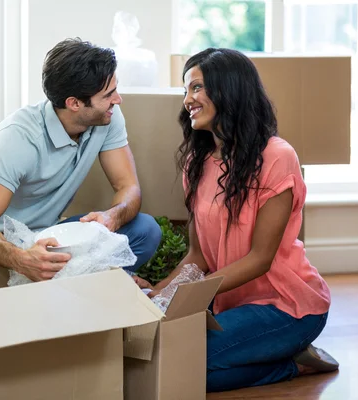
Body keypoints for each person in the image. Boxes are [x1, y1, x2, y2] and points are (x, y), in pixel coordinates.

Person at [133, 48, 339, 392]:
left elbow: (260, 258)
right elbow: (198, 256)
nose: (188, 100)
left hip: (287, 306)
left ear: (228, 89)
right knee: (165, 361)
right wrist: (158, 294)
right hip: (231, 304)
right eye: (186, 90)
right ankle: (274, 357)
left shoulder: (276, 156)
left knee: (187, 367)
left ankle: (291, 364)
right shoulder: (197, 164)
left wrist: (183, 296)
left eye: (196, 88)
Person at [0, 38, 162, 282]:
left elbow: (128, 187)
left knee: (144, 230)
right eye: (108, 94)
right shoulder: (18, 138)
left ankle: (78, 288)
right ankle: (85, 288)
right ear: (73, 103)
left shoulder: (107, 117)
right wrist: (22, 259)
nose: (118, 100)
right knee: (60, 279)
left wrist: (112, 217)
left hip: (46, 234)